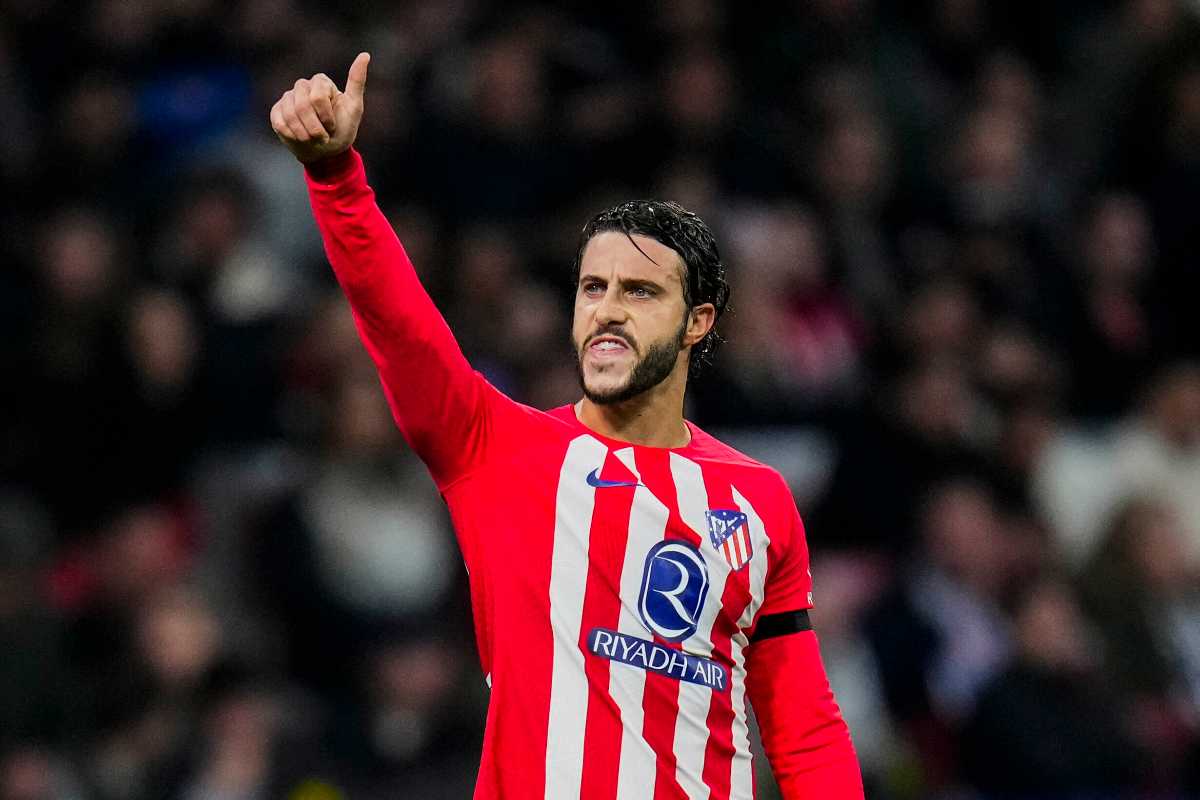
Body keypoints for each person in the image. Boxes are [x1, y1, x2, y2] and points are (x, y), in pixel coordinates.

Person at [269, 53, 862, 800]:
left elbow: (804, 729)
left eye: (640, 292)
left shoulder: (758, 500)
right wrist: (336, 180)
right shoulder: (498, 449)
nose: (608, 310)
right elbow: (400, 327)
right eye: (592, 288)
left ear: (697, 322)